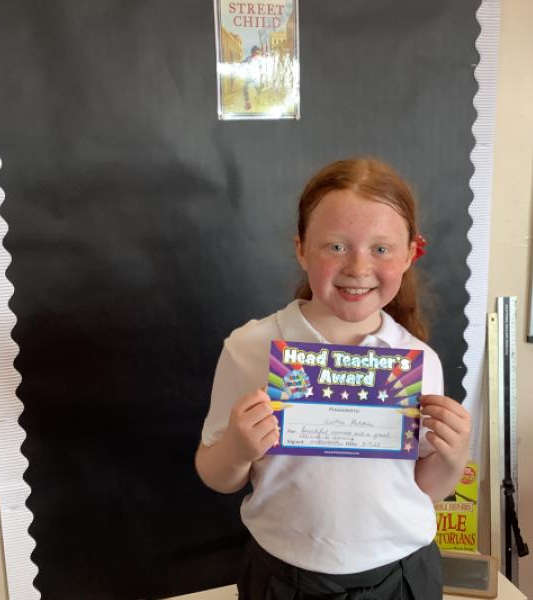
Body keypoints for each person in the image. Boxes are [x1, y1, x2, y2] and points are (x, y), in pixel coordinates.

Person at [195, 157, 471, 599]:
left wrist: (453, 458)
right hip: (284, 577)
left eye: (381, 249)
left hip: (400, 575)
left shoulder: (419, 361)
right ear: (302, 249)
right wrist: (237, 448)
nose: (358, 268)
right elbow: (215, 473)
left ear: (408, 255)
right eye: (336, 246)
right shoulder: (250, 348)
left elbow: (427, 487)